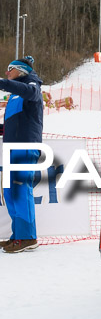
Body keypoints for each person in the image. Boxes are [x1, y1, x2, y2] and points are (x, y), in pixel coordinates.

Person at [0, 56, 43, 254]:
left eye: (10, 69)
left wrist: (3, 83)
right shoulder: (15, 94)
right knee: (10, 192)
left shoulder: (31, 83)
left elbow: (31, 92)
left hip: (24, 146)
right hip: (12, 147)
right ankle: (18, 236)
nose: (7, 72)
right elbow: (13, 123)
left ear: (21, 70)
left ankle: (27, 237)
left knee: (20, 189)